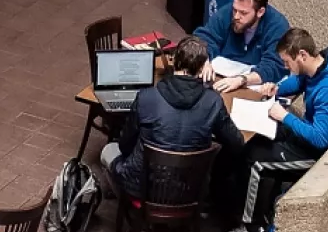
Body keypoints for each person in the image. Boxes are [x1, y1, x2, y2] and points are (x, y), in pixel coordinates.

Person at [211, 29, 328, 232]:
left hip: (325, 154)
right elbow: (299, 82)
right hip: (310, 136)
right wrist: (277, 88)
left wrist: (285, 116)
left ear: (301, 55)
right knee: (255, 142)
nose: (286, 68)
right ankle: (243, 202)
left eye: (287, 62)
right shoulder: (318, 68)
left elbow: (320, 138)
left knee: (257, 162)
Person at [103, 37, 244, 201]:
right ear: (201, 69)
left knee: (108, 151)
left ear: (174, 60)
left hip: (143, 187)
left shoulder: (147, 97)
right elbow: (236, 142)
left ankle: (125, 200)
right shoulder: (213, 102)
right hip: (190, 190)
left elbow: (125, 145)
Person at [197, 0, 291, 93]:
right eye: (235, 10)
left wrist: (242, 80)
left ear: (260, 12)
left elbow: (274, 66)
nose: (236, 16)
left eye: (243, 13)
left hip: (254, 84)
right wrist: (203, 59)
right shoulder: (227, 13)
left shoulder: (277, 26)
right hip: (221, 77)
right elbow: (205, 37)